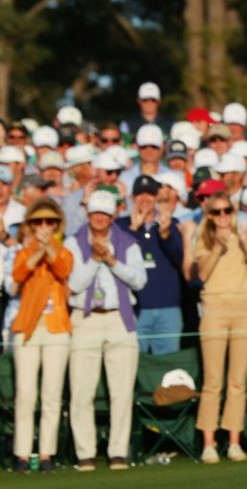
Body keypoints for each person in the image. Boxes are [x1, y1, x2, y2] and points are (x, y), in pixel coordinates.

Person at [64, 190, 147, 471]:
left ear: (112, 216)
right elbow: (73, 284)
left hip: (119, 318)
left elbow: (139, 280)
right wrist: (96, 260)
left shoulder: (128, 244)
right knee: (81, 391)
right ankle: (85, 452)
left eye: (104, 214)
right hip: (84, 319)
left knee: (121, 392)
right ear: (88, 215)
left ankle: (118, 452)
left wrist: (111, 261)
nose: (99, 218)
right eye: (95, 213)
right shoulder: (73, 243)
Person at [195, 191, 247, 463]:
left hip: (244, 309)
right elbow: (201, 275)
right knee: (212, 381)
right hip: (214, 310)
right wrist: (217, 249)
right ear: (209, 216)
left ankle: (234, 441)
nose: (222, 217)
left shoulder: (243, 236)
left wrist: (246, 247)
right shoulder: (203, 240)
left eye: (226, 211)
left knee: (237, 381)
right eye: (217, 212)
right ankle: (209, 443)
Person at [11, 199, 73, 474]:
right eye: (38, 222)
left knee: (51, 394)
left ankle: (47, 452)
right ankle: (22, 453)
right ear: (30, 225)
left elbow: (63, 269)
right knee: (25, 394)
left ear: (57, 225)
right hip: (28, 327)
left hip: (56, 326)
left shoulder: (63, 251)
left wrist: (49, 246)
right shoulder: (23, 253)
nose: (44, 227)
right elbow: (18, 274)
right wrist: (38, 249)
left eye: (49, 222)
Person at [117, 176, 184, 355]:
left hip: (167, 306)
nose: (145, 199)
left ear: (156, 198)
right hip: (135, 307)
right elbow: (117, 261)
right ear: (132, 197)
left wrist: (166, 235)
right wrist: (133, 230)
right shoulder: (120, 226)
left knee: (167, 363)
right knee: (135, 363)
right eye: (140, 194)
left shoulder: (171, 223)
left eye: (150, 194)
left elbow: (179, 259)